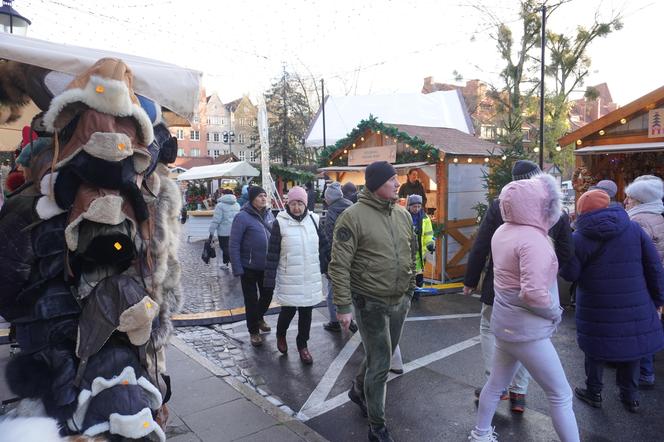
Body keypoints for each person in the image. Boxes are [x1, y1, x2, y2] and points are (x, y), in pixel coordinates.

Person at [470, 173, 579, 442]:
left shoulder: (502, 231)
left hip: (505, 325)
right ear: (541, 206)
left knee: (495, 385)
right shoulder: (534, 239)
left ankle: (481, 433)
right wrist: (555, 311)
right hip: (528, 331)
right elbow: (533, 294)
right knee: (561, 394)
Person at [329, 161, 416, 442]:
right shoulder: (352, 217)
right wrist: (343, 307)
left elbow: (410, 253)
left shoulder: (402, 215)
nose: (397, 183)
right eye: (392, 179)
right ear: (377, 183)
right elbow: (339, 265)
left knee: (382, 355)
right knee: (381, 364)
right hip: (371, 303)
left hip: (399, 300)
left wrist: (410, 288)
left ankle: (357, 390)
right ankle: (377, 426)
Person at [560, 190, 664, 413]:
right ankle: (630, 396)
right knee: (632, 347)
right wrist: (658, 298)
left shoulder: (579, 237)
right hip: (635, 300)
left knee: (596, 347)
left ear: (581, 211)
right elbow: (654, 265)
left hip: (596, 304)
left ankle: (594, 392)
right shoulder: (633, 228)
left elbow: (570, 274)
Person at [264, 186, 327, 364]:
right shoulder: (280, 222)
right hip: (290, 277)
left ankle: (302, 345)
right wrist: (269, 280)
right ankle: (281, 335)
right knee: (288, 312)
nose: (297, 207)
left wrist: (327, 267)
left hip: (310, 277)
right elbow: (273, 253)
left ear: (305, 204)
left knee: (306, 314)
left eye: (300, 203)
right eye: (293, 203)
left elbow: (325, 245)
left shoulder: (314, 220)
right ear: (288, 204)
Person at [624, 175, 664, 390]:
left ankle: (643, 374)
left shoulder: (638, 221)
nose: (626, 201)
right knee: (650, 325)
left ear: (639, 200)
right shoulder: (658, 216)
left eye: (630, 198)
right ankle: (645, 372)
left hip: (643, 281)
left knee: (640, 328)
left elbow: (639, 256)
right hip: (656, 278)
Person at [229, 186, 276, 347]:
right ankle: (254, 331)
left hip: (267, 266)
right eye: (260, 196)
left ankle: (258, 317)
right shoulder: (242, 217)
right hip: (248, 267)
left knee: (268, 295)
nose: (264, 198)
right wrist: (237, 267)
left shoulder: (269, 214)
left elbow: (276, 236)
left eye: (265, 195)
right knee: (251, 300)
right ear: (252, 199)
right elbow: (234, 243)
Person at [320, 182, 357, 333]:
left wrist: (329, 263)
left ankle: (334, 321)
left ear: (329, 198)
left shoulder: (332, 212)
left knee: (332, 291)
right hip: (354, 255)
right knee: (353, 288)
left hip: (338, 256)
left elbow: (329, 240)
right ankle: (353, 319)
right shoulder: (352, 206)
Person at [407, 194, 434, 291]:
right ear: (409, 206)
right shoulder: (404, 216)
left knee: (418, 276)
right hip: (406, 252)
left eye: (419, 206)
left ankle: (417, 295)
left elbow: (428, 234)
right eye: (414, 206)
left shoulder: (425, 218)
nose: (417, 209)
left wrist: (430, 244)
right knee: (408, 276)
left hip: (419, 253)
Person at [209, 189, 240, 269]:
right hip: (235, 231)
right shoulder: (237, 204)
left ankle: (235, 263)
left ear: (223, 194)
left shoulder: (220, 205)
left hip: (224, 231)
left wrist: (211, 231)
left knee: (224, 247)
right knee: (232, 247)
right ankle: (225, 263)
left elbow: (216, 220)